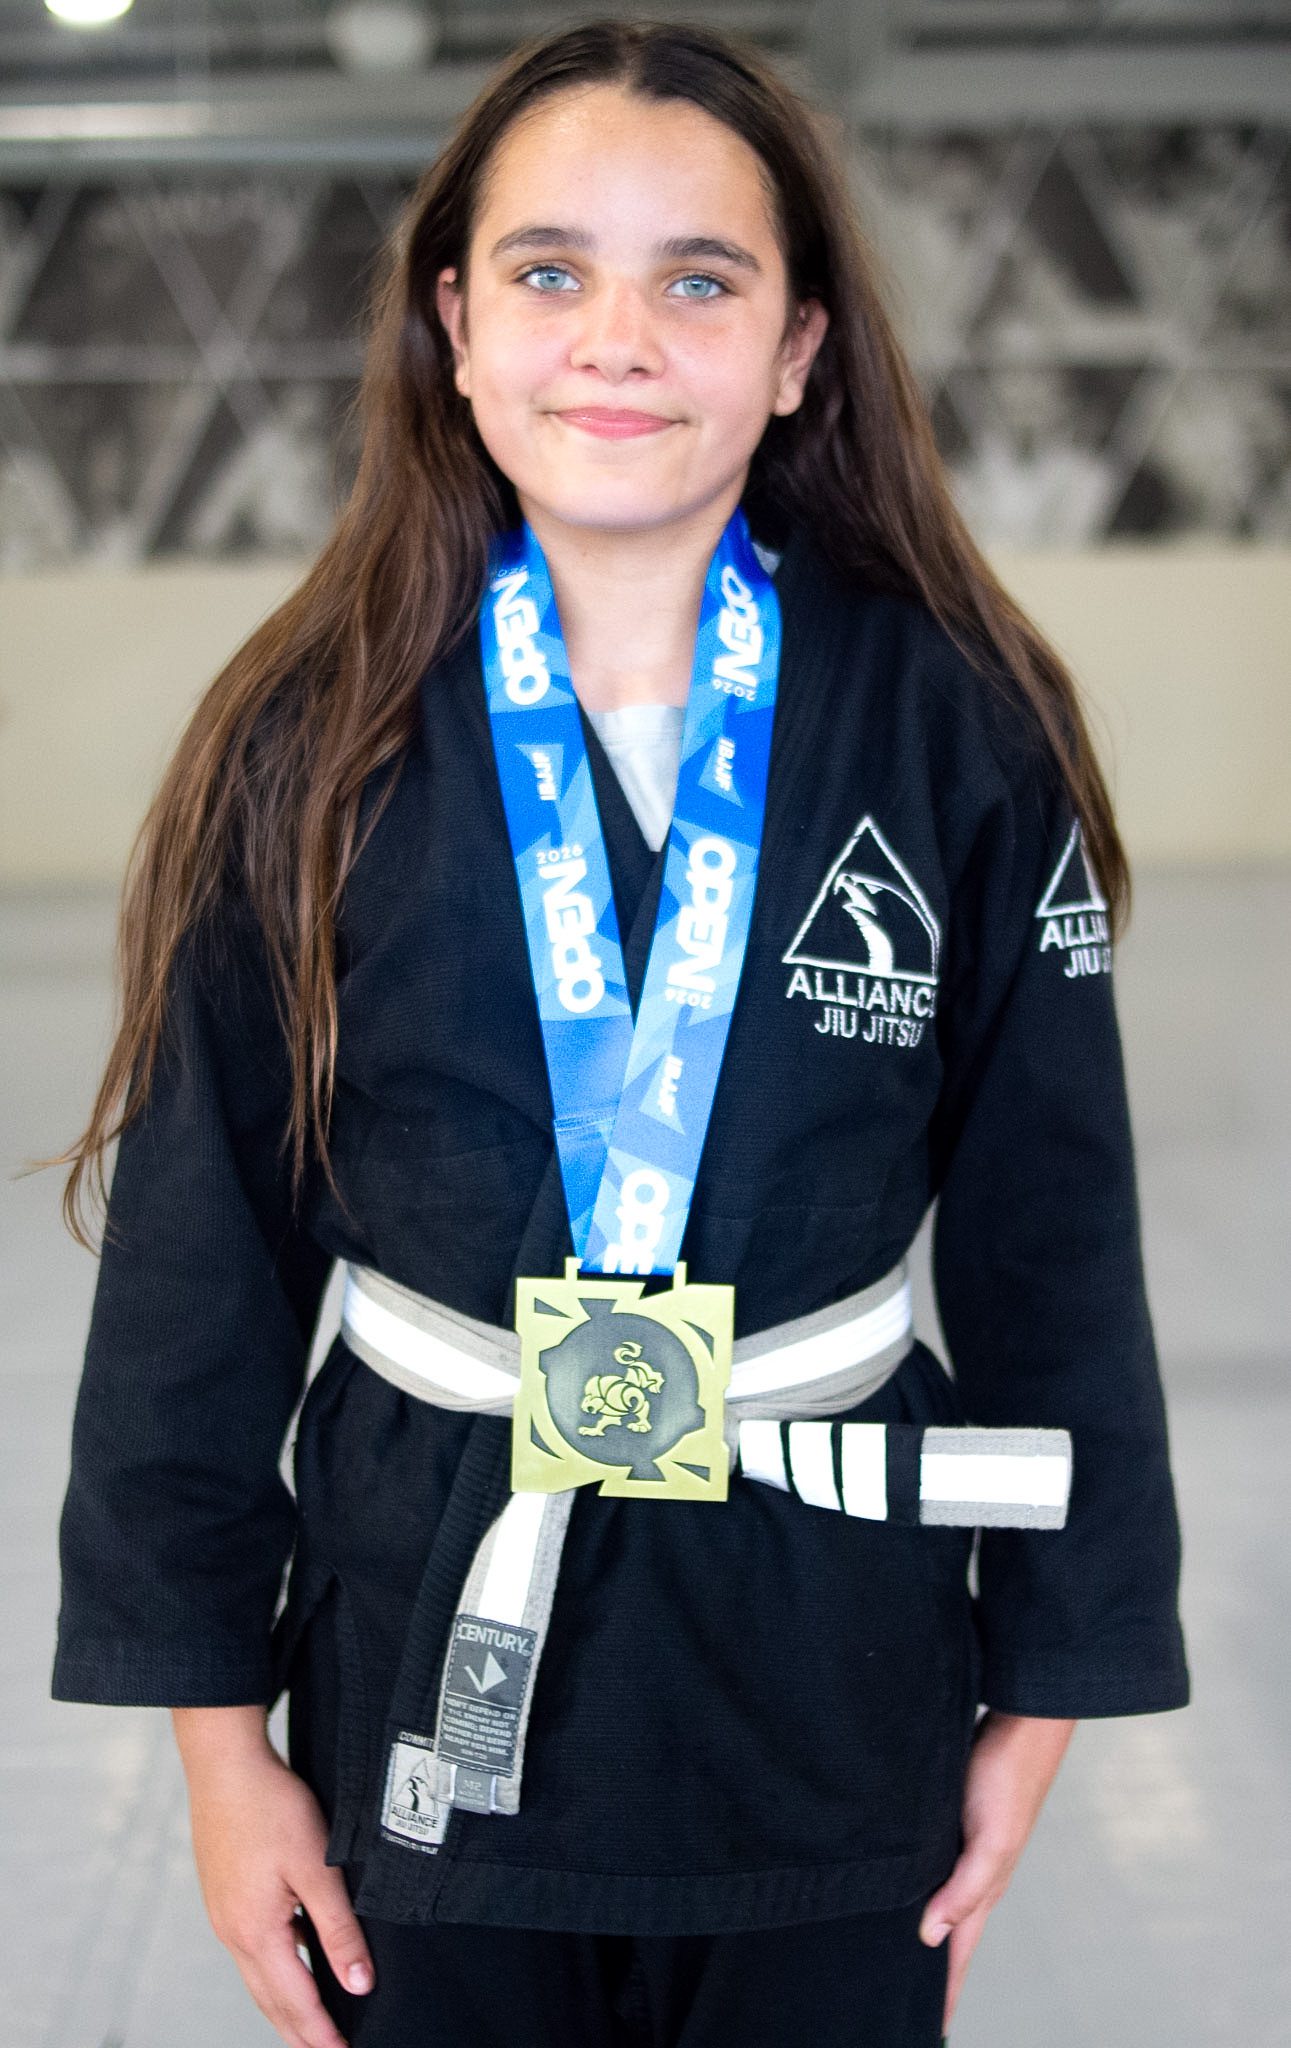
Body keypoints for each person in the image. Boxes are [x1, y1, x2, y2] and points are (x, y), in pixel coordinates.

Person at [45, 18, 1190, 2048]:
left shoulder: (952, 729)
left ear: (800, 350)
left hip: (830, 1700)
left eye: (700, 279)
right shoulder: (310, 743)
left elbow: (1053, 1245)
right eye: (552, 271)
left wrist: (1058, 1676)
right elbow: (195, 1274)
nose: (620, 338)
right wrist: (224, 1755)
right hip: (431, 1672)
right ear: (456, 330)